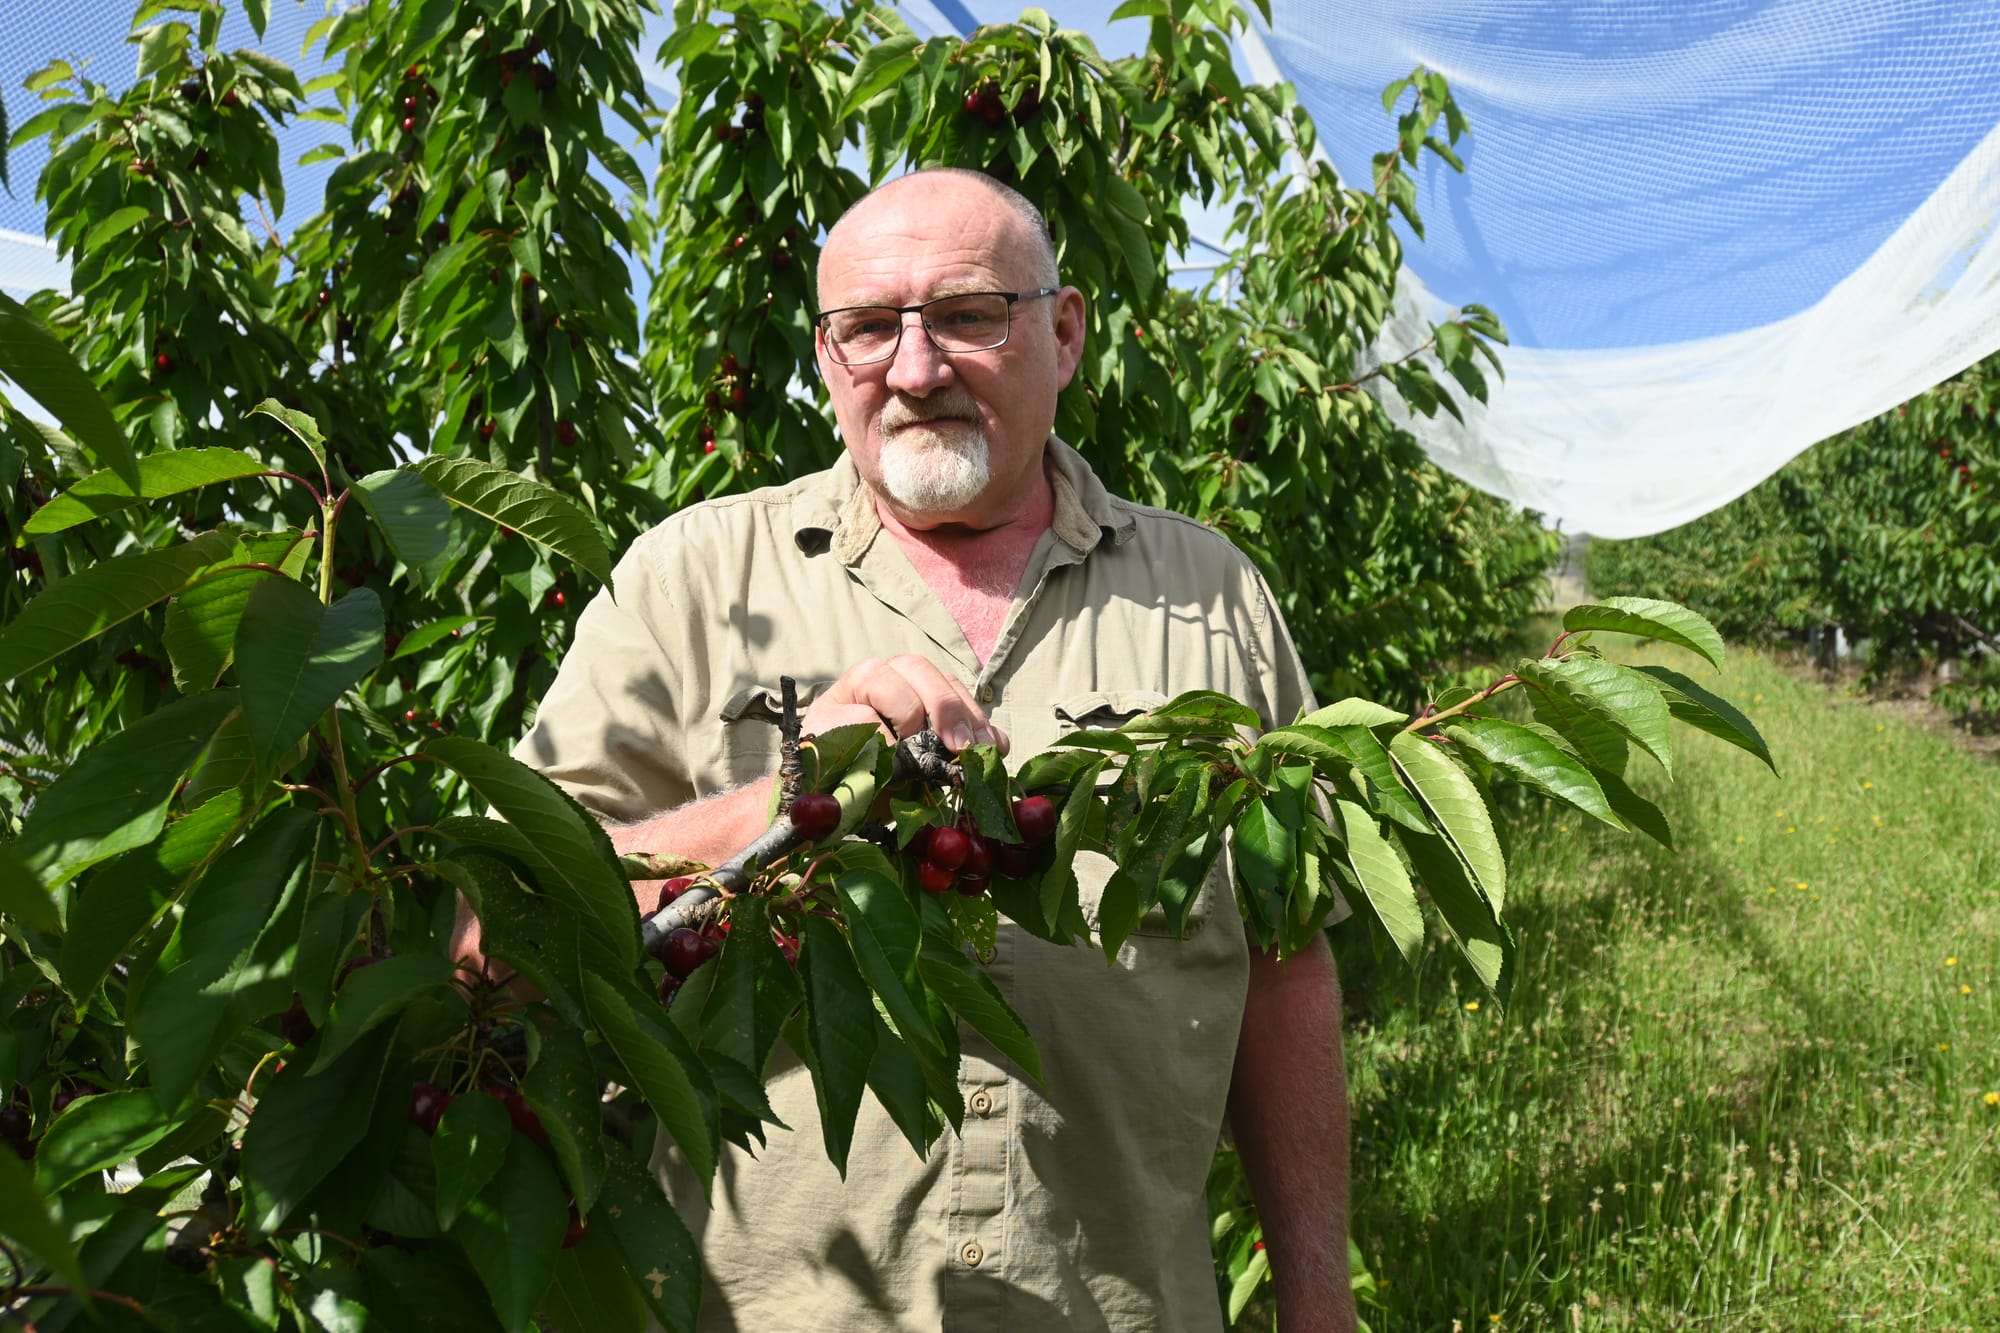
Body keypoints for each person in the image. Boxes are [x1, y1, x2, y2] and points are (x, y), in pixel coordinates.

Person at [507, 167, 1355, 1332]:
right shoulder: (688, 581)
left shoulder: (1208, 593)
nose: (914, 370)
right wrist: (788, 807)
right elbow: (501, 922)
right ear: (824, 362)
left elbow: (1283, 958)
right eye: (866, 329)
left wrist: (1317, 1298)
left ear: (1061, 334)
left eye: (966, 315)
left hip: (1120, 1305)